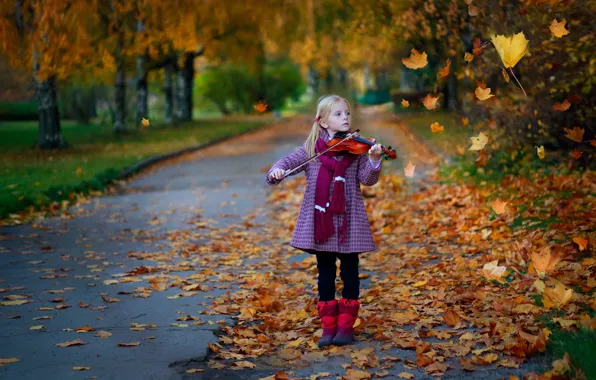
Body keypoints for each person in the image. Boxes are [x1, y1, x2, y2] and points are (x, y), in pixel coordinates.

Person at [266, 94, 383, 348]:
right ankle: (328, 327)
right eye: (338, 114)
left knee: (351, 271)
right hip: (322, 222)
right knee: (326, 272)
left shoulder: (357, 149)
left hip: (349, 219)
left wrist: (374, 159)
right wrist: (277, 170)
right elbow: (287, 163)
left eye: (347, 114)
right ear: (323, 122)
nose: (345, 118)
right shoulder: (311, 150)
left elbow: (368, 179)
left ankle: (345, 326)